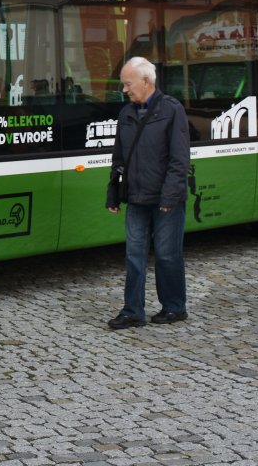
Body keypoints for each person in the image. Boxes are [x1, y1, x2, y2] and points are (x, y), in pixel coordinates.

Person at [106, 56, 190, 329]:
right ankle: (133, 311)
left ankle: (174, 307)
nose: (125, 90)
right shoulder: (126, 114)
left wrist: (169, 197)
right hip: (136, 198)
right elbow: (119, 157)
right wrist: (113, 193)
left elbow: (180, 160)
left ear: (146, 81)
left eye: (128, 84)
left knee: (167, 255)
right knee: (134, 256)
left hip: (166, 199)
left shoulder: (172, 110)